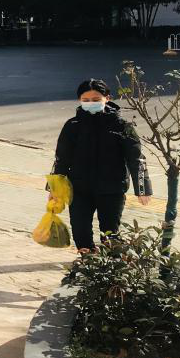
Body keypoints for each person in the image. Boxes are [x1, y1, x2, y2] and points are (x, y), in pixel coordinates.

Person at [51, 78, 153, 252]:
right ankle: (87, 262)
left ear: (107, 98)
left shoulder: (122, 126)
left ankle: (110, 265)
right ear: (79, 100)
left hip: (111, 189)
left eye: (96, 99)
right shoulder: (72, 126)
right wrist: (55, 190)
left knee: (110, 234)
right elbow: (61, 160)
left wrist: (142, 189)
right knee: (80, 231)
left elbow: (136, 158)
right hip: (79, 189)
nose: (91, 103)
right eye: (86, 100)